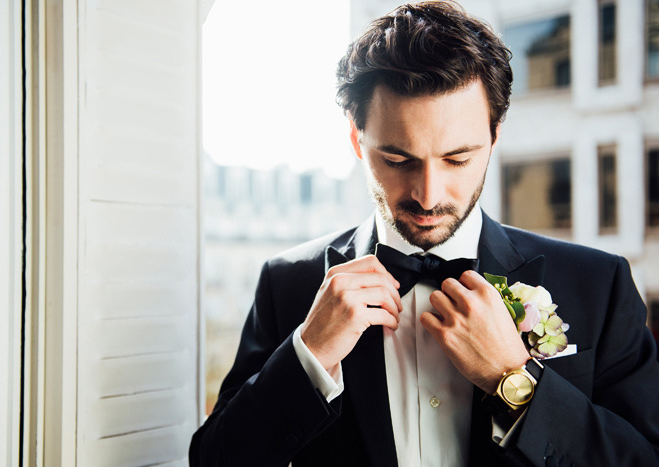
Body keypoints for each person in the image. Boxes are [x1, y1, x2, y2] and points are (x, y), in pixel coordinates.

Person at [189, 2, 659, 465]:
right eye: (397, 159)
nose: (429, 194)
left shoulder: (598, 283)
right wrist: (308, 355)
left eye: (457, 158)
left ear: (495, 136)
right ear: (357, 139)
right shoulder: (288, 282)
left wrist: (514, 380)